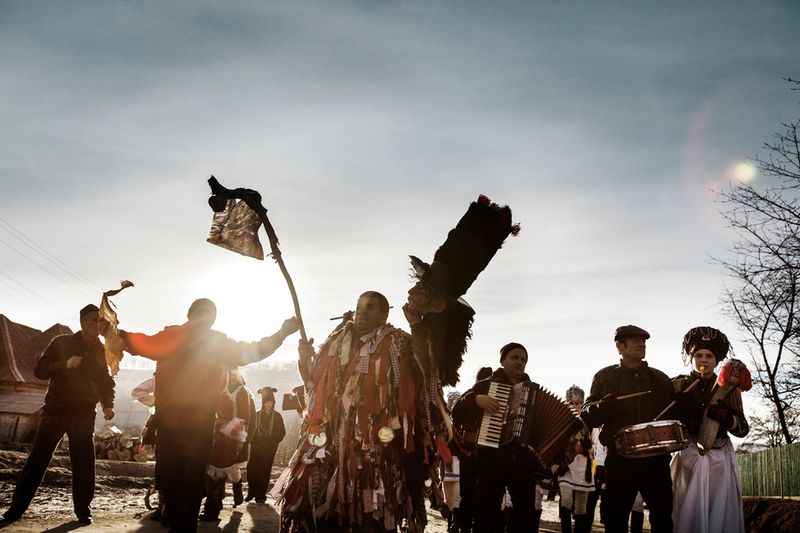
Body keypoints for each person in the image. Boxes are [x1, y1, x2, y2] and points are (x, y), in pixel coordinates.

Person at [120, 298, 299, 533]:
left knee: (184, 481)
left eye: (208, 316)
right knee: (183, 481)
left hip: (189, 425)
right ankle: (180, 526)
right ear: (192, 315)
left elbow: (139, 343)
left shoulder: (201, 341)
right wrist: (116, 334)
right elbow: (139, 343)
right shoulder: (190, 339)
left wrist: (117, 334)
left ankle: (180, 526)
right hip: (184, 425)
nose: (204, 320)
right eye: (203, 315)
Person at [275, 291, 429, 532]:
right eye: (359, 306)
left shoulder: (397, 342)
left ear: (384, 314)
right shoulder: (336, 342)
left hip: (374, 448)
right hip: (330, 443)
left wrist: (417, 326)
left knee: (370, 514)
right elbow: (315, 387)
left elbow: (421, 372)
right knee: (321, 511)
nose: (361, 311)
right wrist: (305, 360)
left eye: (370, 307)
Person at [3, 304, 115, 525]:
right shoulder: (61, 343)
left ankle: (83, 509)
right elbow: (39, 370)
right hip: (56, 411)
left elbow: (106, 382)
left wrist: (107, 405)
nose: (98, 324)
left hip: (84, 414)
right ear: (83, 322)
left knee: (84, 462)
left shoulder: (102, 351)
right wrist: (65, 364)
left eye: (101, 321)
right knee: (38, 459)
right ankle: (16, 508)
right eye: (94, 320)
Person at [580, 325, 675, 533]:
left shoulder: (660, 378)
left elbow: (673, 415)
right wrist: (600, 407)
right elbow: (585, 414)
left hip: (656, 461)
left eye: (644, 341)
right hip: (621, 461)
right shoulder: (604, 377)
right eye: (635, 341)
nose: (642, 344)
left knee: (663, 518)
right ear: (619, 346)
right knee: (616, 521)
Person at [452, 342, 539, 533]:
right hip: (491, 460)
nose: (519, 362)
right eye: (514, 357)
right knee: (486, 512)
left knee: (524, 514)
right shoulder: (486, 385)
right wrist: (476, 399)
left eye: (523, 359)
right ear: (502, 360)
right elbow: (456, 411)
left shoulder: (534, 392)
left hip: (522, 464)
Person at [671, 326, 750, 532]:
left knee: (718, 515)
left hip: (718, 461)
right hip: (687, 458)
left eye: (709, 356)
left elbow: (742, 429)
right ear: (691, 358)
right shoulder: (678, 385)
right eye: (698, 355)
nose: (703, 360)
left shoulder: (728, 388)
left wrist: (725, 417)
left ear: (717, 360)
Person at [199, 369, 256, 521]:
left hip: (228, 438)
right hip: (215, 436)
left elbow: (244, 418)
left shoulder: (241, 391)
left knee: (218, 472)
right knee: (213, 472)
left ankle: (212, 509)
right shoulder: (219, 390)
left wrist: (236, 440)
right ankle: (214, 505)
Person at [451, 366, 493, 533]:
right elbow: (456, 412)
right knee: (467, 494)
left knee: (478, 496)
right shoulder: (471, 395)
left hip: (487, 453)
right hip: (469, 452)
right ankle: (462, 524)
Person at [556, 385, 594, 533]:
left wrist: (586, 447)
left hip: (584, 468)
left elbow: (595, 448)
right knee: (566, 500)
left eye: (577, 403)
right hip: (566, 465)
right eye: (571, 403)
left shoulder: (589, 422)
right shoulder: (561, 422)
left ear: (582, 404)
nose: (574, 406)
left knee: (580, 506)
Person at [245, 385, 286, 504]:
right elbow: (251, 429)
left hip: (269, 448)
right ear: (263, 403)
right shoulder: (256, 415)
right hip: (256, 447)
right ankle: (251, 492)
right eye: (267, 402)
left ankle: (260, 495)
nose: (269, 404)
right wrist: (254, 442)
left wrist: (272, 442)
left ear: (273, 403)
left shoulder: (277, 417)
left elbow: (282, 432)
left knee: (264, 471)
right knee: (252, 469)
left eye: (271, 402)